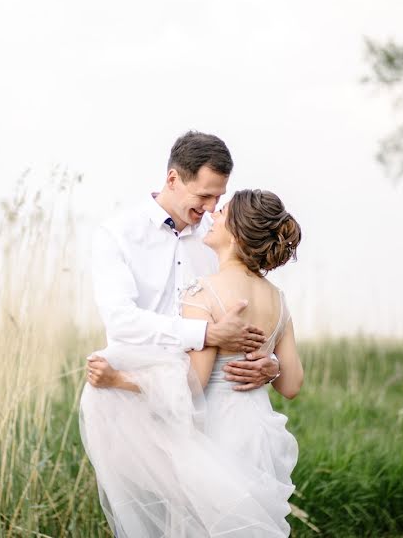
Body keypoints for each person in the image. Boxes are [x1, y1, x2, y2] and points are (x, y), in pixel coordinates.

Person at [79, 132, 292, 536]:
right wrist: (208, 333)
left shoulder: (215, 240)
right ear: (173, 179)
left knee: (200, 516)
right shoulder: (117, 234)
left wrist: (269, 362)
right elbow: (122, 320)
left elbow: (245, 307)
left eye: (219, 198)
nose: (212, 209)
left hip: (202, 398)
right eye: (205, 196)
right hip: (134, 398)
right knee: (155, 516)